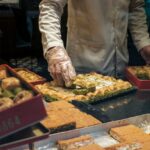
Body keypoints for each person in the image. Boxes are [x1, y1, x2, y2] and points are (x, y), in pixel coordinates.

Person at [39, 0, 150, 87]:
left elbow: (135, 7)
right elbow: (51, 5)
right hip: (84, 67)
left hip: (122, 65)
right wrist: (54, 49)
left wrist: (144, 42)